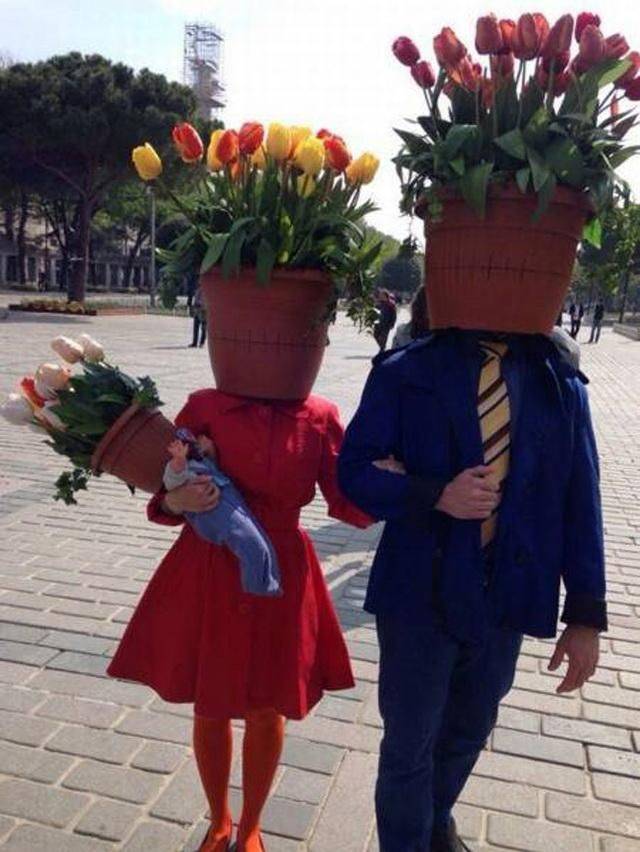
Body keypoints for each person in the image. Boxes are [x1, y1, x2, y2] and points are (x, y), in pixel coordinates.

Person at [338, 329, 606, 852]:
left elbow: (582, 500)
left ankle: (436, 821)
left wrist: (585, 616)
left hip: (507, 595)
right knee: (409, 743)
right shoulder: (407, 371)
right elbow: (352, 472)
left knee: (470, 726)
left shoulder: (558, 382)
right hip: (419, 592)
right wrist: (433, 493)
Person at [108, 389, 371, 852]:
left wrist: (392, 479)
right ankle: (219, 821)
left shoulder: (319, 415)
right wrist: (177, 500)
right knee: (210, 706)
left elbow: (348, 502)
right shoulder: (205, 406)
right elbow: (165, 487)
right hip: (209, 565)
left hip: (281, 574)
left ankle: (250, 825)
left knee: (267, 709)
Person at [164, 428, 281, 597]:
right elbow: (168, 486)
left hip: (232, 499)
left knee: (261, 545)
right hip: (214, 509)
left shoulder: (199, 458)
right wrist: (179, 462)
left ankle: (267, 583)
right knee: (252, 544)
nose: (191, 445)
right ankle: (258, 586)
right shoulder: (182, 463)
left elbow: (214, 468)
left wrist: (210, 451)